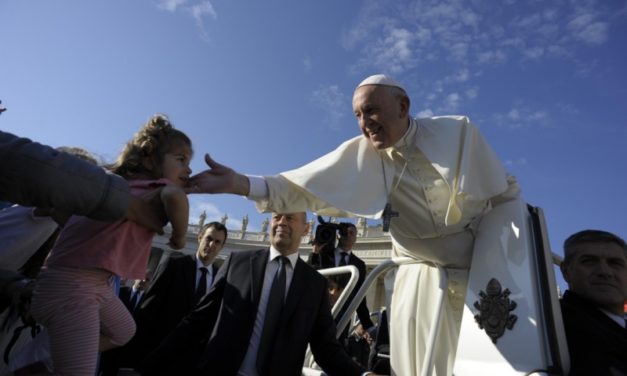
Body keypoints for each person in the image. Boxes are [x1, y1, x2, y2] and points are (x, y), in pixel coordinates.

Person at [186, 74, 519, 375]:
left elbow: (504, 195)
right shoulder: (362, 156)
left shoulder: (458, 132)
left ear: (403, 106)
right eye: (358, 116)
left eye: (371, 111)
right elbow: (300, 187)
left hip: (482, 270)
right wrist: (240, 183)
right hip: (423, 278)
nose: (364, 124)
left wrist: (515, 258)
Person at [29, 114, 192, 376]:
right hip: (74, 287)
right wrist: (180, 238)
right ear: (150, 160)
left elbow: (61, 214)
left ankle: (48, 359)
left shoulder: (113, 185)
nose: (189, 170)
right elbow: (175, 196)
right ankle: (48, 363)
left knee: (124, 331)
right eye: (181, 160)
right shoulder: (157, 187)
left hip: (87, 283)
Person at [137, 212, 378, 376]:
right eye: (276, 217)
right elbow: (196, 321)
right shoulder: (237, 262)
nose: (281, 221)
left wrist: (363, 374)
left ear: (306, 229)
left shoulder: (314, 284)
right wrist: (143, 366)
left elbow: (326, 348)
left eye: (290, 218)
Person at [117, 221, 227, 371]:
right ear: (200, 238)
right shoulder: (174, 264)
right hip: (159, 354)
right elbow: (149, 308)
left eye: (217, 242)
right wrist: (133, 359)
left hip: (191, 361)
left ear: (222, 247)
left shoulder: (221, 280)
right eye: (209, 238)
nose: (212, 245)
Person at [559, 230, 627, 376]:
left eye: (615, 263)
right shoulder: (551, 321)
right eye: (589, 261)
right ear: (566, 271)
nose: (605, 271)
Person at [309, 223, 374, 341]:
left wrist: (368, 326)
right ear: (338, 235)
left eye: (351, 233)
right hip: (317, 313)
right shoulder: (323, 254)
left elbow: (359, 297)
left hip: (342, 318)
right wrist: (315, 253)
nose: (347, 235)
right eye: (344, 232)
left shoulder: (359, 265)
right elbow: (310, 276)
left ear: (356, 238)